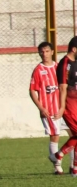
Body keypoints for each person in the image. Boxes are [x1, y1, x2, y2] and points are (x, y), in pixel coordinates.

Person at [30, 41, 66, 174]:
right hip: (49, 109)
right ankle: (57, 166)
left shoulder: (58, 67)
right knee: (55, 135)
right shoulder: (38, 70)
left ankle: (73, 165)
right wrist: (41, 107)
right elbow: (32, 90)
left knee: (73, 134)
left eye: (46, 51)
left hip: (63, 108)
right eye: (42, 51)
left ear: (52, 52)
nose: (44, 54)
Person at [53, 37, 77, 175]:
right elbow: (63, 88)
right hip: (68, 103)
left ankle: (74, 168)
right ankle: (60, 154)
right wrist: (62, 107)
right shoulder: (65, 64)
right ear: (74, 49)